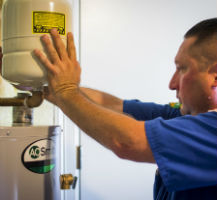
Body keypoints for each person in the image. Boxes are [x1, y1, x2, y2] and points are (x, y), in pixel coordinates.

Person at [4, 17, 217, 199]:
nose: (172, 83)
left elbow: (127, 141)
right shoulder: (184, 117)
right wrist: (50, 87)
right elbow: (113, 106)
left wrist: (67, 91)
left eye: (182, 69)